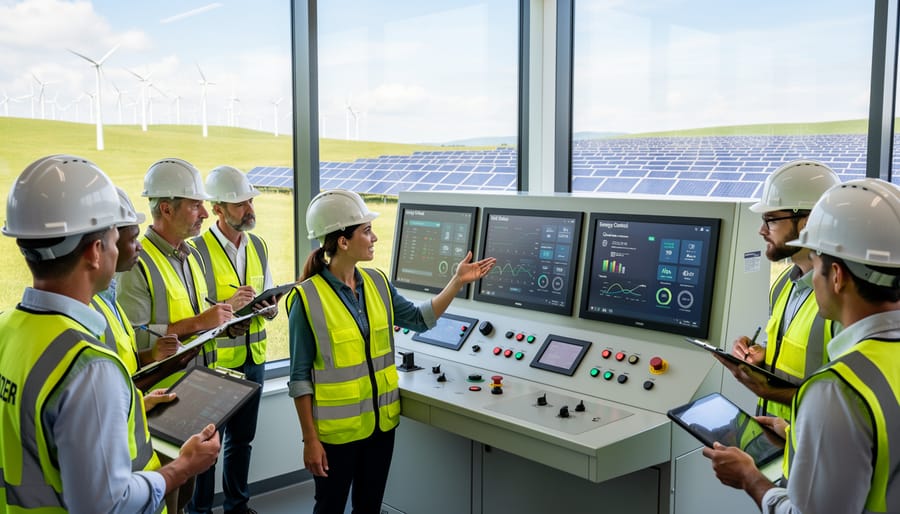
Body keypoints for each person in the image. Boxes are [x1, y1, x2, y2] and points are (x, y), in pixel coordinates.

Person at [0, 154, 220, 513]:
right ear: (95, 252)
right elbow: (107, 504)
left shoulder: (8, 328)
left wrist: (130, 407)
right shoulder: (88, 366)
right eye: (116, 239)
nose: (124, 249)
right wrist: (182, 468)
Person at [287, 189, 496, 514]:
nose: (375, 238)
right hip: (336, 437)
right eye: (366, 231)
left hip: (380, 428)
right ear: (343, 241)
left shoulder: (378, 283)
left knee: (369, 508)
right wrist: (310, 441)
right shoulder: (307, 299)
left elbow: (419, 318)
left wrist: (456, 282)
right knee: (329, 508)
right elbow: (299, 379)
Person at [703, 177, 900, 513]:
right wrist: (794, 429)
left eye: (818, 262)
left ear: (836, 275)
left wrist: (750, 478)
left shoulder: (836, 391)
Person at [116, 157, 239, 512]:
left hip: (197, 395)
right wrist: (200, 322)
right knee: (166, 498)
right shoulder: (134, 261)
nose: (203, 212)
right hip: (162, 405)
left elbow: (195, 317)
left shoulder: (191, 256)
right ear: (166, 209)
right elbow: (138, 338)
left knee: (187, 496)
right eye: (195, 205)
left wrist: (224, 322)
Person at [188, 166, 278, 514]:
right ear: (219, 209)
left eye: (250, 200)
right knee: (208, 446)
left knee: (242, 441)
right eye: (240, 203)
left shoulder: (258, 245)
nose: (249, 208)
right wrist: (230, 308)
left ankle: (237, 507)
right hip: (215, 365)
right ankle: (200, 511)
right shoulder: (196, 250)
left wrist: (269, 308)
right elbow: (195, 311)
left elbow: (269, 291)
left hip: (253, 358)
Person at [726, 160, 842, 420]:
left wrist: (769, 391)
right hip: (777, 442)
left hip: (812, 449)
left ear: (807, 222)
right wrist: (763, 355)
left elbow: (846, 400)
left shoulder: (841, 301)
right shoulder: (782, 285)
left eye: (771, 220)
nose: (762, 230)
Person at [91, 187, 201, 394]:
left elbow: (123, 363)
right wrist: (164, 371)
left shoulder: (109, 298)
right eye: (132, 239)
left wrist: (151, 356)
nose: (139, 247)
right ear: (98, 247)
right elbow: (107, 394)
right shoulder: (88, 313)